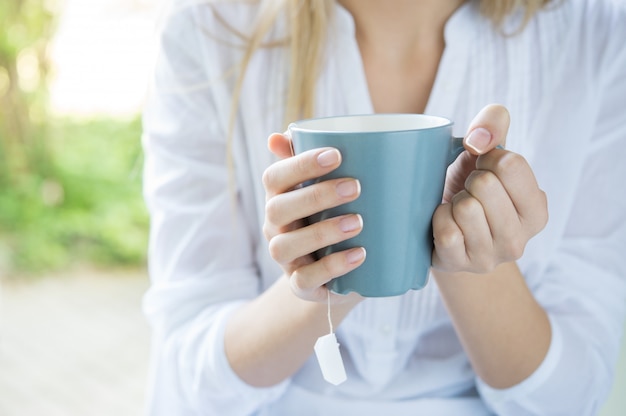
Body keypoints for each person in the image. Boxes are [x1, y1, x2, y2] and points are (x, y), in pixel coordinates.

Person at [141, 0, 626, 414]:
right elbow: (189, 388)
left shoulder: (596, 31)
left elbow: (573, 397)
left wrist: (467, 251)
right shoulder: (209, 26)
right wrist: (326, 271)